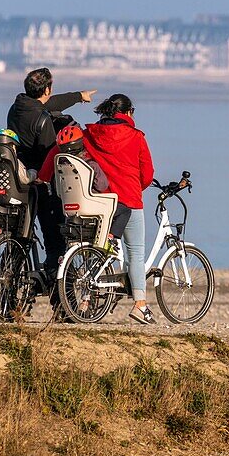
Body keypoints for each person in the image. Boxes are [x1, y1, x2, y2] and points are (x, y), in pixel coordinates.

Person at [6, 68, 96, 303]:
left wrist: (79, 96)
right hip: (40, 184)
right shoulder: (42, 119)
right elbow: (49, 156)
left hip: (20, 180)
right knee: (55, 241)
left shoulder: (17, 107)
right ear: (46, 89)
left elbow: (47, 103)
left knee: (19, 238)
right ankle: (62, 306)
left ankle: (9, 303)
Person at [80, 93, 155, 325]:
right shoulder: (136, 137)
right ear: (129, 112)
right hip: (129, 200)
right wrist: (135, 188)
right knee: (135, 252)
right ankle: (140, 305)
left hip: (99, 202)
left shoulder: (90, 134)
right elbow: (148, 174)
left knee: (97, 249)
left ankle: (84, 300)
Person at [38, 125, 131, 247]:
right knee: (125, 210)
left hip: (68, 208)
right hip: (91, 205)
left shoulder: (61, 165)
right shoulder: (90, 164)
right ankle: (110, 237)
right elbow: (102, 186)